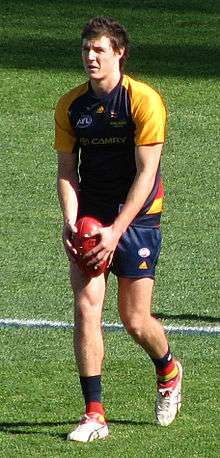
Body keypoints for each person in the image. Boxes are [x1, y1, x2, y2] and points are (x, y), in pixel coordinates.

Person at [54, 16, 183, 443]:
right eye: (86, 50)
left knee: (134, 318)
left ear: (119, 53)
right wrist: (72, 221)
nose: (91, 57)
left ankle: (168, 369)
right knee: (87, 306)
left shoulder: (144, 101)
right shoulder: (72, 105)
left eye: (100, 50)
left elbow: (146, 175)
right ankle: (94, 415)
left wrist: (116, 231)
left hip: (139, 215)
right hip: (91, 213)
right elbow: (66, 172)